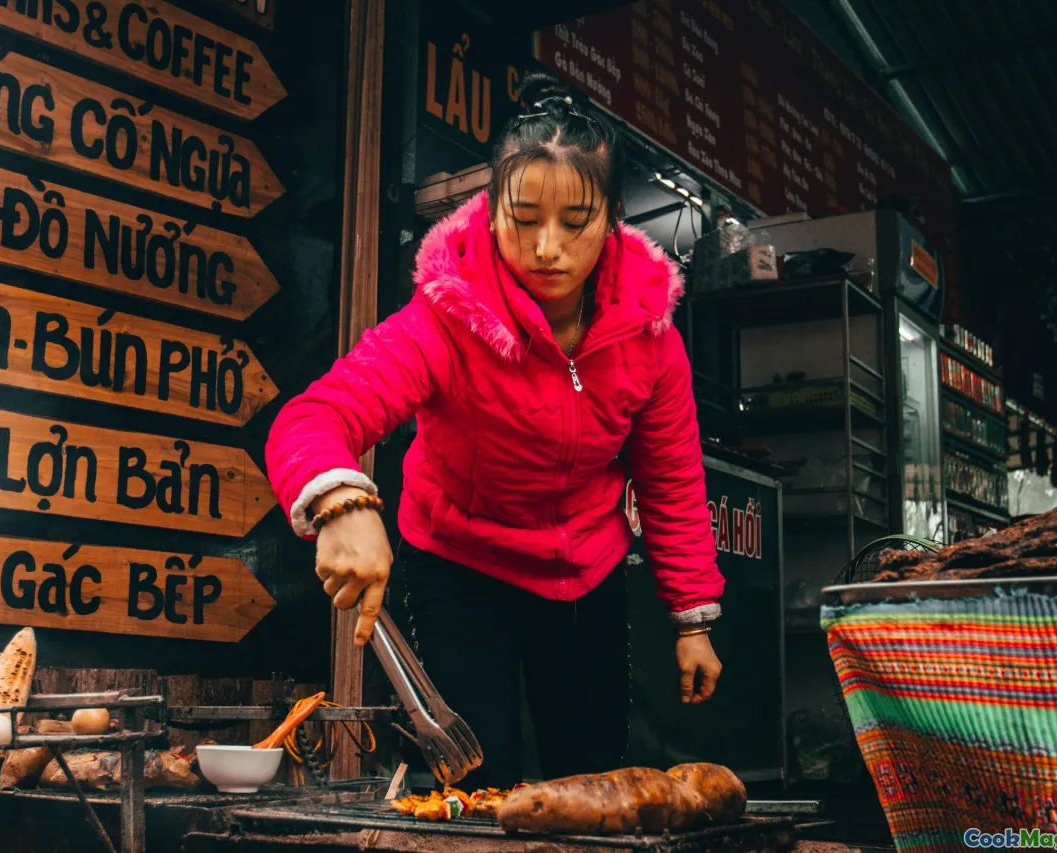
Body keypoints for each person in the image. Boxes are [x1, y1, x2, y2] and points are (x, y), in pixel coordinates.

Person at [265, 72, 723, 789]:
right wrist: (341, 503)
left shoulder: (651, 334)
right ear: (491, 209)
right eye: (524, 218)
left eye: (576, 222)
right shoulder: (446, 317)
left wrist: (692, 618)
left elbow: (672, 477)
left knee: (593, 781)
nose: (548, 248)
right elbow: (316, 416)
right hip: (460, 557)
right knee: (476, 783)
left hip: (587, 567)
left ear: (612, 218)